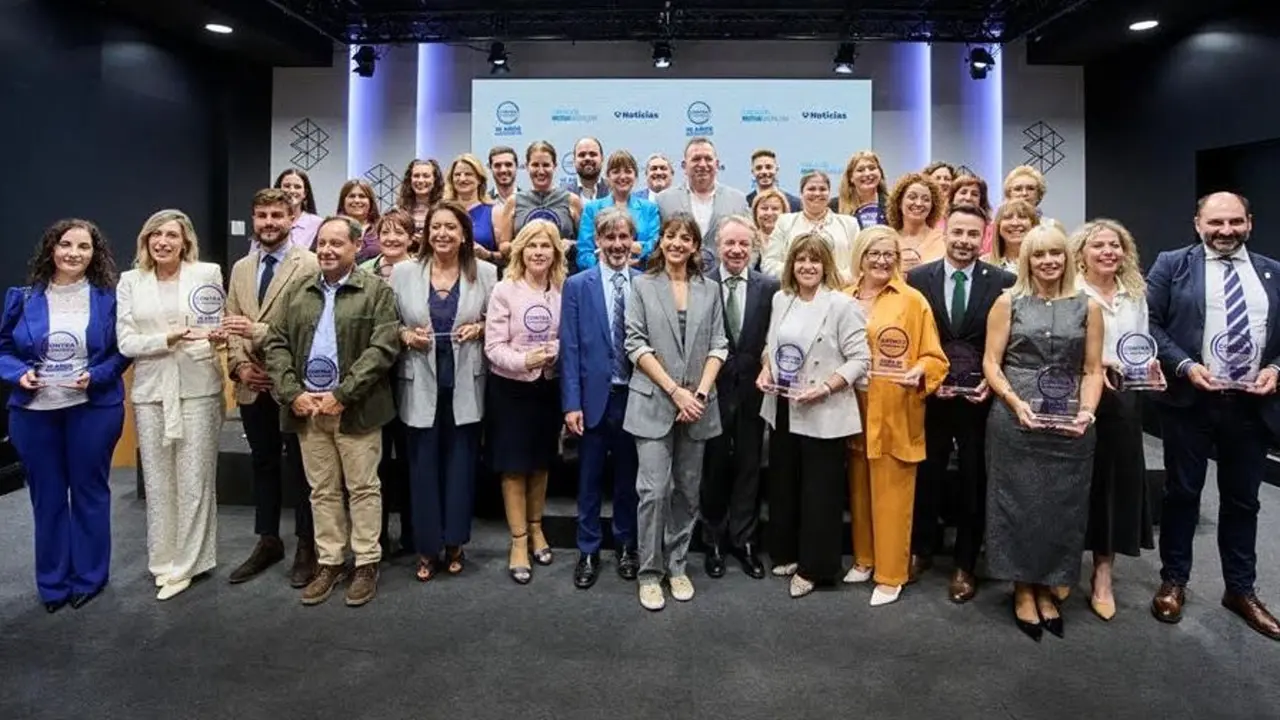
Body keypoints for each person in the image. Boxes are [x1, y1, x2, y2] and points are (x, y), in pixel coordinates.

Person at [1147, 191, 1280, 641]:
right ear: (1198, 223)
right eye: (1216, 222)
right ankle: (1174, 581)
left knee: (1244, 501)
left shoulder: (1272, 272)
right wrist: (1185, 365)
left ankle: (1240, 590)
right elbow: (1148, 323)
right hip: (1191, 401)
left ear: (1250, 222)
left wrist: (1277, 369)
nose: (1226, 231)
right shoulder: (1172, 264)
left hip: (1250, 407)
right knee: (1182, 494)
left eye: (1235, 222)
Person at [264, 215, 401, 607]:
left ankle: (366, 563)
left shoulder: (376, 291)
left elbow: (383, 349)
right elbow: (275, 344)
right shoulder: (299, 291)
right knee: (321, 491)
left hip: (355, 409)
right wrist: (293, 393)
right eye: (321, 242)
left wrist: (343, 393)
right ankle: (330, 562)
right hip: (308, 410)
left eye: (336, 243)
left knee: (362, 489)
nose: (326, 249)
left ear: (357, 248)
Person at [983, 224, 1103, 641]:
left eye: (1056, 253)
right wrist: (1015, 403)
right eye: (1039, 254)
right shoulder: (1007, 302)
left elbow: (1092, 369)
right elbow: (991, 364)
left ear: (1068, 257)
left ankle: (1048, 585)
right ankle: (1021, 587)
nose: (1049, 261)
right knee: (1016, 502)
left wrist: (1087, 412)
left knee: (1061, 505)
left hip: (1070, 418)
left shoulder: (1088, 307)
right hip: (1016, 416)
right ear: (1026, 260)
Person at [0, 219, 128, 612]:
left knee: (90, 493)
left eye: (84, 246)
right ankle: (53, 584)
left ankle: (89, 578)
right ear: (51, 249)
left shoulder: (110, 298)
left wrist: (97, 375)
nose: (74, 253)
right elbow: (3, 348)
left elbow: (123, 350)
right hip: (34, 414)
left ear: (95, 253)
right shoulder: (21, 298)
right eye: (65, 244)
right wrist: (18, 374)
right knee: (47, 498)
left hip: (92, 409)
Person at [906, 205, 1015, 602]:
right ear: (945, 232)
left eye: (973, 234)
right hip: (929, 399)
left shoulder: (1005, 282)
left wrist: (993, 380)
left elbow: (1010, 343)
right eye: (958, 233)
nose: (964, 241)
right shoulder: (917, 279)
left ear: (983, 236)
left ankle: (965, 565)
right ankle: (921, 550)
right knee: (925, 475)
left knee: (974, 481)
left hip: (980, 400)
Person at [116, 209, 225, 601]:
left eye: (171, 235)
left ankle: (190, 563)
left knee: (194, 480)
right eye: (155, 235)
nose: (163, 241)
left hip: (198, 387)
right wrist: (166, 339)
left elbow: (217, 327)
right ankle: (163, 560)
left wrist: (211, 337)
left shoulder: (206, 274)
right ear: (145, 241)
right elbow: (126, 342)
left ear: (186, 241)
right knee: (159, 483)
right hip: (150, 391)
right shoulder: (130, 281)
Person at [624, 214, 728, 610]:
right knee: (652, 491)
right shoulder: (642, 285)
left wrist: (697, 394)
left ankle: (677, 565)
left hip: (699, 405)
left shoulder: (710, 289)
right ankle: (649, 573)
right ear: (660, 241)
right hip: (654, 401)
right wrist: (674, 391)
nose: (677, 244)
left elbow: (719, 344)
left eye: (686, 238)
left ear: (696, 246)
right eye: (671, 236)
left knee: (687, 490)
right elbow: (634, 344)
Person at [391, 201, 498, 581]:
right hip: (418, 386)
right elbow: (389, 325)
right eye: (436, 227)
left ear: (464, 233)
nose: (442, 234)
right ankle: (426, 548)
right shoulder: (403, 273)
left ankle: (455, 543)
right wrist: (405, 335)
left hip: (465, 386)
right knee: (422, 471)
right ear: (425, 233)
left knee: (460, 469)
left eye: (451, 227)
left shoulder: (486, 273)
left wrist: (482, 328)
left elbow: (500, 322)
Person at [843, 226, 949, 607]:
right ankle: (865, 559)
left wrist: (922, 370)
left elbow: (934, 357)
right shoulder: (842, 295)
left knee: (892, 494)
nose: (882, 260)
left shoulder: (912, 300)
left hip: (895, 407)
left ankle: (891, 574)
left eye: (890, 254)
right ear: (861, 254)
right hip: (851, 409)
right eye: (875, 253)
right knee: (858, 488)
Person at [758, 233, 868, 598]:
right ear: (791, 265)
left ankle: (815, 567)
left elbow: (860, 359)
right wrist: (765, 370)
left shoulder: (841, 304)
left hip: (823, 407)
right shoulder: (781, 299)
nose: (807, 266)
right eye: (801, 260)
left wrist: (826, 388)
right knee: (785, 485)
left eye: (815, 261)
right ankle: (788, 553)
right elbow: (771, 346)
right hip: (785, 405)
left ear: (826, 266)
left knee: (820, 493)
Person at [223, 188, 320, 588]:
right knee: (262, 462)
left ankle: (306, 544)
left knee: (301, 467)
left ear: (292, 217)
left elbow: (312, 326)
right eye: (261, 215)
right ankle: (267, 539)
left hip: (292, 384)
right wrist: (240, 367)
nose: (268, 223)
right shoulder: (241, 268)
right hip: (253, 386)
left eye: (277, 215)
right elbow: (231, 323)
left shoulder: (309, 264)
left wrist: (259, 333)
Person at [1071, 219, 1160, 621]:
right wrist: (1095, 363)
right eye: (1099, 245)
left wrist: (1150, 366)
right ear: (1082, 253)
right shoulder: (1070, 292)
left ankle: (1103, 575)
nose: (1108, 252)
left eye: (1115, 245)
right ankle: (1063, 567)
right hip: (1077, 396)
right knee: (1073, 484)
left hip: (1124, 400)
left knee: (1114, 488)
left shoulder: (1136, 294)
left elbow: (1140, 344)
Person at [560, 206, 642, 588]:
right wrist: (571, 403)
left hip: (635, 398)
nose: (617, 244)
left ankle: (627, 545)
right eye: (609, 237)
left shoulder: (645, 283)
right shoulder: (578, 285)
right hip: (593, 400)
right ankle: (588, 549)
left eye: (623, 237)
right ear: (597, 242)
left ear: (633, 242)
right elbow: (571, 348)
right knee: (589, 482)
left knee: (629, 480)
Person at [485, 220, 566, 584]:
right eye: (532, 245)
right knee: (514, 466)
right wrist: (525, 361)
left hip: (548, 388)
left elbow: (573, 336)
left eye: (545, 246)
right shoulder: (505, 290)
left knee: (541, 463)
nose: (538, 252)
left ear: (555, 253)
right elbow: (493, 347)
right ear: (520, 250)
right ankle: (518, 541)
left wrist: (557, 353)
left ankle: (536, 529)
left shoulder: (564, 289)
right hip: (512, 389)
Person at [701, 216, 779, 580]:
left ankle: (744, 540)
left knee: (749, 467)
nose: (736, 250)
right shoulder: (701, 285)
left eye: (743, 245)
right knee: (713, 467)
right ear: (717, 245)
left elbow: (774, 339)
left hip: (753, 391)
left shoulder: (770, 288)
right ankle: (713, 539)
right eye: (729, 243)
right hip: (711, 392)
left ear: (754, 248)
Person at [358, 209, 416, 556]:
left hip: (411, 373)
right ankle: (375, 536)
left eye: (400, 233)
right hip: (374, 376)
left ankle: (412, 532)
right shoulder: (363, 271)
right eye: (386, 232)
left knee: (409, 460)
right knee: (375, 462)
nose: (392, 238)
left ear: (412, 237)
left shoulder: (421, 270)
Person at [654, 137, 749, 268]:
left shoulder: (737, 200)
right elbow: (656, 245)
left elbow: (752, 243)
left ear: (717, 164)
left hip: (724, 280)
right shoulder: (664, 200)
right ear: (684, 165)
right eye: (696, 159)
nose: (703, 164)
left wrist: (743, 271)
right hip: (678, 280)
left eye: (708, 159)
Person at [760, 170, 860, 285]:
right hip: (795, 293)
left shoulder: (849, 224)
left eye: (822, 189)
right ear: (801, 193)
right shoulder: (784, 223)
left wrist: (830, 278)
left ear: (829, 194)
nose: (817, 193)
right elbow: (769, 263)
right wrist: (802, 274)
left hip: (838, 293)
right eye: (811, 189)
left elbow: (858, 265)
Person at [575, 149, 661, 271]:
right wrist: (606, 262)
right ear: (608, 177)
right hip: (602, 279)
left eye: (628, 171)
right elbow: (583, 255)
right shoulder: (592, 209)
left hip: (642, 278)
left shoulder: (650, 209)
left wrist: (638, 249)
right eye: (616, 172)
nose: (622, 177)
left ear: (635, 176)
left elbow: (656, 247)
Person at [886, 173, 945, 271]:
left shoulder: (943, 239)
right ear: (899, 202)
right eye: (912, 197)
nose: (919, 203)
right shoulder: (887, 239)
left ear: (932, 206)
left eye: (926, 199)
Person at [832, 151, 889, 228]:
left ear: (880, 173)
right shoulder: (835, 206)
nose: (867, 174)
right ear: (851, 177)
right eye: (860, 170)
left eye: (872, 168)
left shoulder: (892, 203)